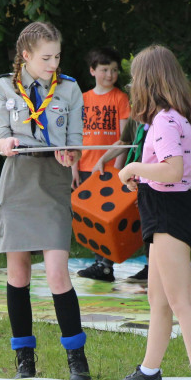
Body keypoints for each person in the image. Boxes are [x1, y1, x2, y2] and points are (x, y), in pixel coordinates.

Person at [0, 21, 91, 380]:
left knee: (57, 274)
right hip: (17, 181)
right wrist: (3, 144)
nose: (53, 64)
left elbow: (75, 139)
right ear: (26, 56)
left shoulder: (70, 89)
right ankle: (24, 361)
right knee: (18, 275)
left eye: (58, 56)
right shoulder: (3, 86)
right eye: (46, 57)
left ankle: (77, 360)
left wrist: (71, 155)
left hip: (52, 181)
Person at [112, 45, 191, 380]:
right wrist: (142, 175)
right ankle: (149, 370)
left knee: (181, 302)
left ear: (147, 82)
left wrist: (134, 168)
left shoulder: (165, 120)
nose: (130, 86)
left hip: (169, 212)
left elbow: (173, 170)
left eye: (134, 79)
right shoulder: (170, 119)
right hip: (162, 208)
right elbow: (168, 169)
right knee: (157, 298)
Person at [74, 47, 131, 283]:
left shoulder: (121, 98)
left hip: (109, 169)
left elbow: (124, 137)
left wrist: (117, 169)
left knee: (107, 217)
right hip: (86, 166)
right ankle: (100, 262)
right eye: (105, 69)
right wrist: (73, 168)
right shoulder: (83, 99)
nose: (110, 74)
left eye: (115, 70)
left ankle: (106, 265)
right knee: (91, 216)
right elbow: (75, 137)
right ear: (92, 71)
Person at [93, 117, 150, 283]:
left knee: (150, 223)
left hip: (152, 179)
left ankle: (152, 266)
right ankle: (105, 265)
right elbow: (124, 142)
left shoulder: (159, 117)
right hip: (134, 179)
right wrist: (102, 159)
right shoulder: (135, 118)